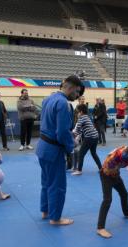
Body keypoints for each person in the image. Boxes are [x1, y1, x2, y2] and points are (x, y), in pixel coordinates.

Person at [36, 75, 84, 226]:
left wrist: (69, 136)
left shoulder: (48, 99)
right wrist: (71, 146)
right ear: (70, 88)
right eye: (77, 92)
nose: (77, 96)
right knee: (57, 185)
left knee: (46, 181)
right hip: (53, 151)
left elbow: (51, 125)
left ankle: (45, 211)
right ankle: (55, 218)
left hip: (42, 148)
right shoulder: (63, 104)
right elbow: (62, 132)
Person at [72, 104, 102, 176]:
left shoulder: (81, 118)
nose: (77, 114)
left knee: (81, 154)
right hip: (95, 136)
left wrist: (70, 134)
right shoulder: (87, 117)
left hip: (89, 137)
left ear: (81, 112)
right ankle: (101, 168)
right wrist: (77, 137)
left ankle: (79, 170)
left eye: (77, 112)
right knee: (93, 153)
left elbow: (76, 130)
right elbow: (81, 131)